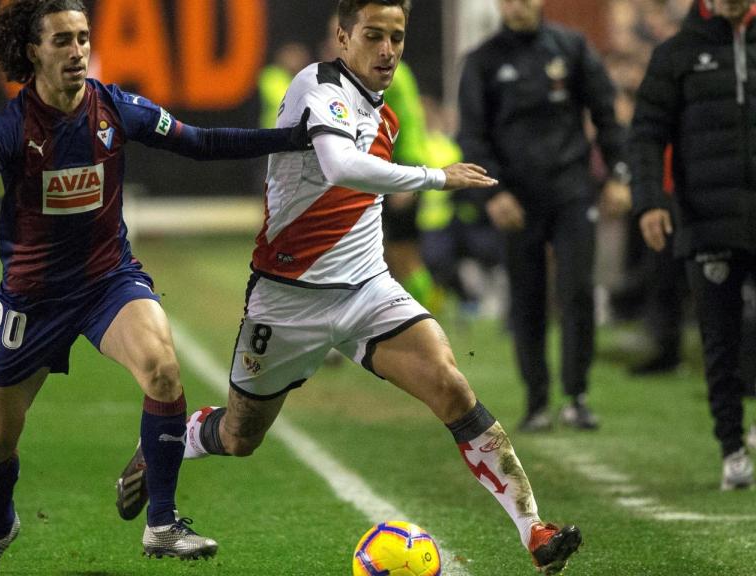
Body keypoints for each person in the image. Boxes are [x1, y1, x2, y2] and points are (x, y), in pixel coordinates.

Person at [117, 1, 582, 573]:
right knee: (239, 436)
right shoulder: (317, 86)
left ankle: (535, 531)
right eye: (373, 35)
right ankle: (168, 442)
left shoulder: (386, 111)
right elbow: (340, 166)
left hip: (367, 291)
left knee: (451, 386)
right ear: (342, 37)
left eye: (397, 38)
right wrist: (436, 177)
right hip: (287, 300)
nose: (387, 50)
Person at [0, 1, 310, 574]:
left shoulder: (115, 108)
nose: (77, 51)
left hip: (107, 282)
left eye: (83, 38)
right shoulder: (10, 129)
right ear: (33, 51)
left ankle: (162, 523)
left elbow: (200, 141)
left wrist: (288, 138)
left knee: (162, 368)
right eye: (62, 40)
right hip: (32, 301)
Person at [457, 0, 631, 432]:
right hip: (516, 200)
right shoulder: (482, 61)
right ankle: (536, 402)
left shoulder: (572, 47)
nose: (517, 5)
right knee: (527, 298)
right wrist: (493, 194)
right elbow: (472, 136)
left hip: (572, 190)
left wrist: (618, 174)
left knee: (577, 290)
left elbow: (606, 113)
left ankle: (577, 397)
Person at [631, 0, 756, 490]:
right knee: (720, 341)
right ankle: (732, 448)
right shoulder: (676, 53)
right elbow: (646, 134)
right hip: (706, 220)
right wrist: (649, 200)